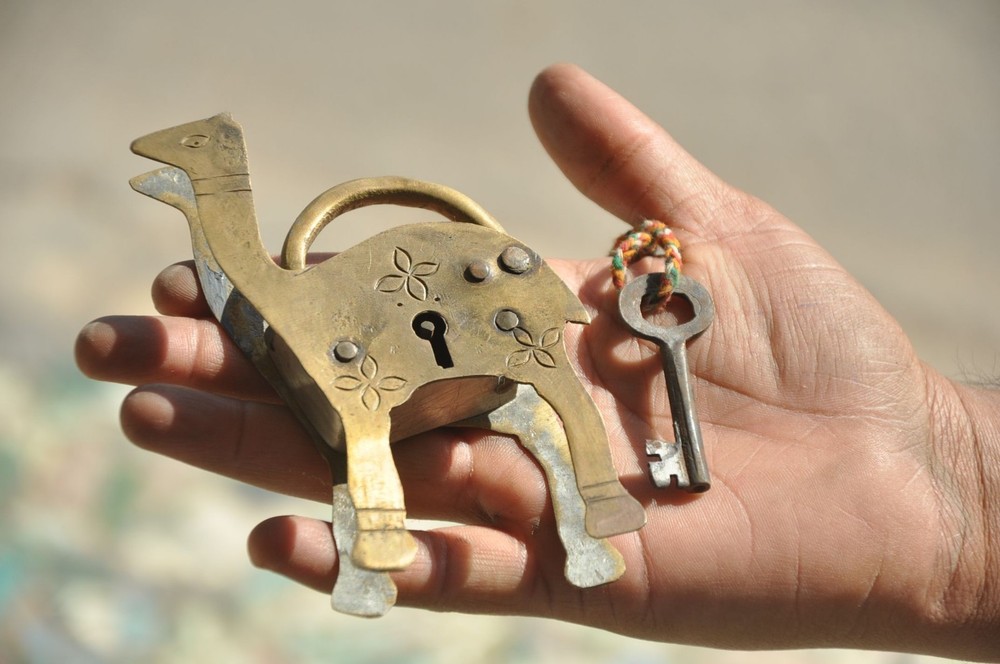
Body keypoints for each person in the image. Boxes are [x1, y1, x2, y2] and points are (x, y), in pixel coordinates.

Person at [75, 63, 999, 661]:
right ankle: (392, 534)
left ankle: (590, 492)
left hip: (460, 304)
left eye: (203, 169)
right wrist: (953, 495)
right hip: (380, 332)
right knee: (361, 391)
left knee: (544, 388)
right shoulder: (312, 304)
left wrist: (960, 491)